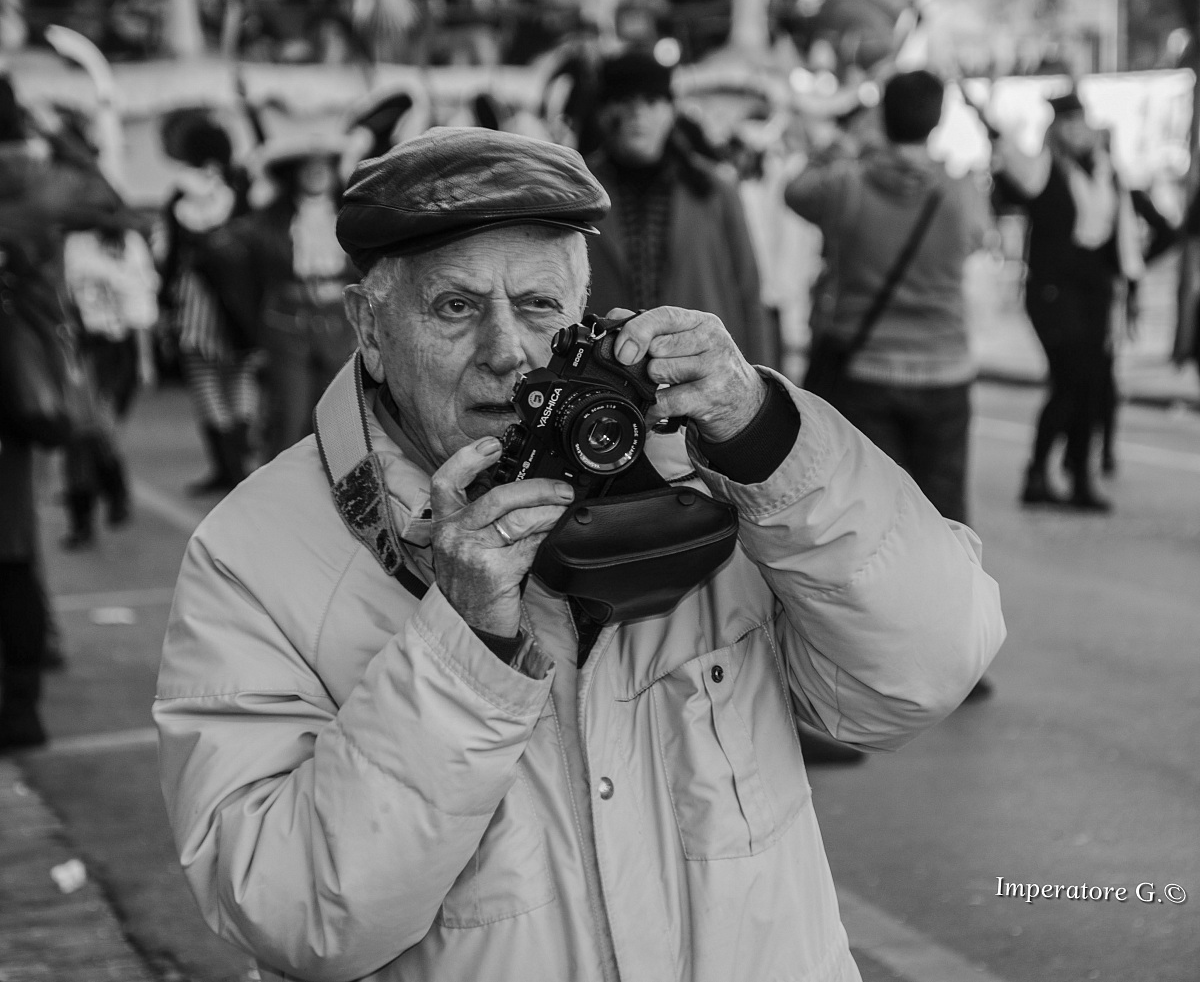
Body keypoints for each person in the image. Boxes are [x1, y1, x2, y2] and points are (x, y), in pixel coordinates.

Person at [155, 126, 1005, 982]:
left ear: (585, 312)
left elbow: (925, 671)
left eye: (538, 308)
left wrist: (766, 441)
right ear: (368, 328)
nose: (506, 351)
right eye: (455, 307)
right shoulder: (253, 552)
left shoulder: (691, 467)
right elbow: (292, 913)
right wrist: (464, 646)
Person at [785, 70, 989, 529]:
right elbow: (979, 239)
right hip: (945, 368)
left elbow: (794, 191)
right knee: (944, 515)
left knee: (871, 514)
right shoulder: (960, 192)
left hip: (865, 371)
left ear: (882, 116)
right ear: (937, 121)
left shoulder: (846, 185)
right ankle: (950, 597)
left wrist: (844, 141)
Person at [0, 73, 122, 750]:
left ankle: (22, 693)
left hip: (15, 379)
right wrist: (62, 137)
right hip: (20, 392)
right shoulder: (38, 181)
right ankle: (25, 690)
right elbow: (107, 198)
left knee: (13, 554)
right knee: (13, 548)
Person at [990, 91, 1160, 512]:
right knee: (1070, 380)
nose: (1076, 131)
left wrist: (1131, 281)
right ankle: (1040, 472)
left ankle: (1076, 473)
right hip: (1053, 291)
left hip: (1094, 291)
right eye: (1067, 123)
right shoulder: (1043, 168)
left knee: (1087, 384)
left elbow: (1122, 239)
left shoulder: (1107, 173)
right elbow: (1009, 165)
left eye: (1080, 121)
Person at [583, 50, 776, 368]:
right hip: (605, 373)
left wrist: (761, 387)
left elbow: (748, 293)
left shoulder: (712, 189)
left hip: (700, 371)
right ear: (603, 111)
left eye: (651, 102)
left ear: (671, 110)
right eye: (625, 102)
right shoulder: (579, 189)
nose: (637, 115)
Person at [207, 135, 357, 462]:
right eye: (308, 168)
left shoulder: (353, 215)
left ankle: (335, 497)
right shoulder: (269, 219)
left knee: (340, 420)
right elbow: (221, 247)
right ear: (294, 174)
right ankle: (278, 498)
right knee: (289, 419)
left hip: (340, 323)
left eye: (323, 167)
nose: (316, 174)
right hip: (287, 324)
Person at [157, 112, 255, 495]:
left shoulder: (181, 193)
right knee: (240, 377)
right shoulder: (240, 187)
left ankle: (225, 465)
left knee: (205, 379)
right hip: (241, 300)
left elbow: (170, 255)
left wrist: (164, 302)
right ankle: (241, 460)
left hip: (197, 299)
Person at [59, 222, 159, 549]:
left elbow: (140, 302)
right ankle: (84, 516)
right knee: (78, 432)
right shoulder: (68, 240)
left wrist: (145, 360)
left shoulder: (127, 241)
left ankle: (114, 491)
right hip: (78, 346)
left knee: (103, 426)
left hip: (118, 348)